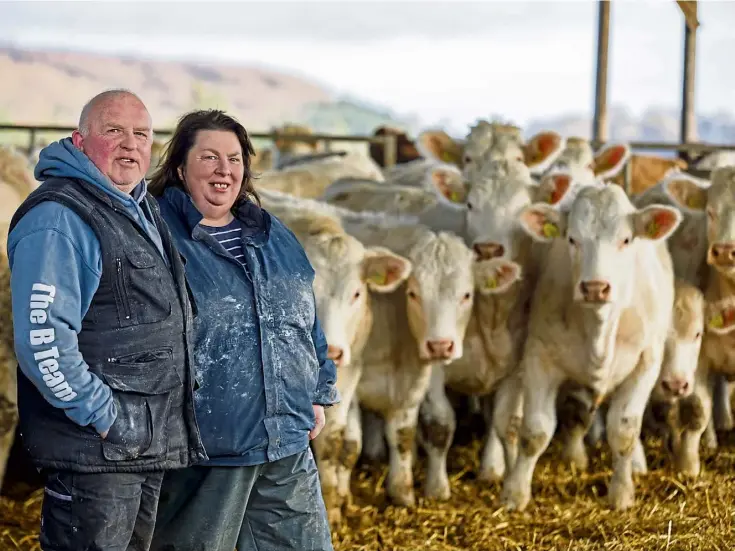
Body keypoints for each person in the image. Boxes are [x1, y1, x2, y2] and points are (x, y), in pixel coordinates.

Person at [7, 89, 207, 551]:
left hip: (142, 443)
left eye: (140, 133)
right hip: (100, 451)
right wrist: (103, 415)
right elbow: (43, 340)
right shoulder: (60, 217)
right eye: (112, 131)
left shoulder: (137, 205)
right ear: (79, 141)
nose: (129, 144)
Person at [146, 109, 339, 551]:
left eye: (234, 159)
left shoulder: (273, 235)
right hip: (210, 449)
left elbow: (306, 317)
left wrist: (318, 389)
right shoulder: (157, 236)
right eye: (209, 157)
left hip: (286, 441)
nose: (224, 170)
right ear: (180, 167)